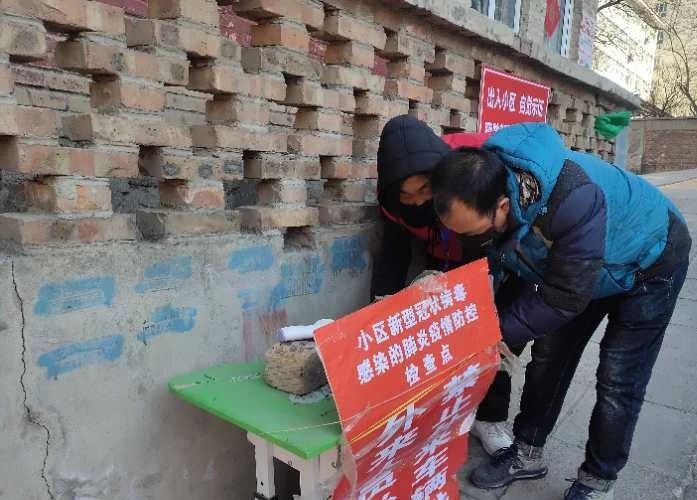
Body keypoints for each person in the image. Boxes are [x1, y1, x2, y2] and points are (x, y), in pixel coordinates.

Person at [429, 122, 692, 499]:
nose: (470, 240)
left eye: (474, 232)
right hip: (583, 267)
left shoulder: (572, 199)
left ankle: (598, 480)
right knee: (550, 357)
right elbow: (501, 271)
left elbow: (565, 296)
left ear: (503, 207)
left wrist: (492, 334)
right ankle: (527, 453)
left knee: (618, 377)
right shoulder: (492, 187)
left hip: (650, 259)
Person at [372, 114, 514, 455]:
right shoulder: (393, 204)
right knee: (436, 338)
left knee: (490, 334)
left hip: (484, 251)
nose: (418, 201)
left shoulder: (465, 171)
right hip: (439, 261)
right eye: (406, 195)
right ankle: (445, 412)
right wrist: (381, 311)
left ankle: (490, 418)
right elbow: (392, 258)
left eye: (425, 189)